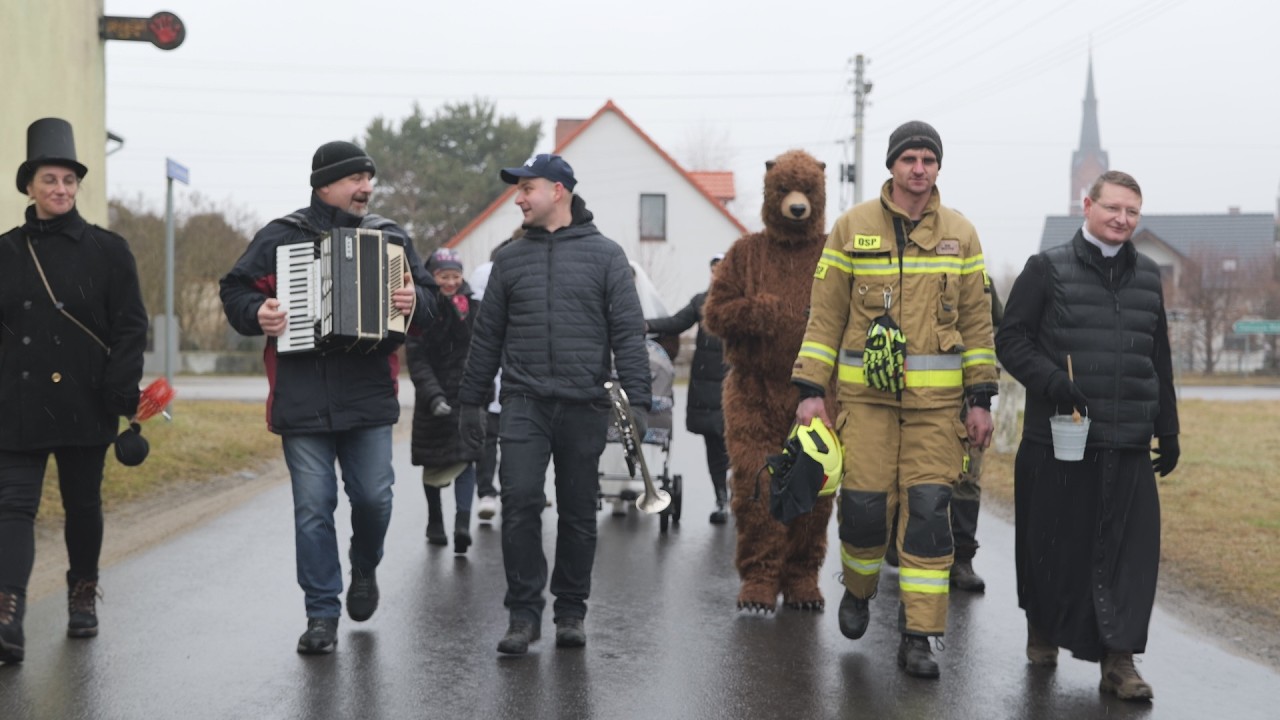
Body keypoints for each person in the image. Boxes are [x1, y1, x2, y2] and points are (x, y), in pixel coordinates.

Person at [790, 121, 997, 679]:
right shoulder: (851, 227)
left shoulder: (962, 234)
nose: (919, 168)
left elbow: (978, 324)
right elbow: (825, 315)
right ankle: (858, 590)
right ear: (892, 166)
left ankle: (918, 636)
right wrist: (810, 389)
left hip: (937, 413)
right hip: (867, 405)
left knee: (929, 517)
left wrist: (981, 398)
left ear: (938, 167)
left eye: (928, 159)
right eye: (909, 158)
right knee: (863, 511)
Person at [219, 140, 439, 655]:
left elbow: (430, 304)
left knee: (374, 499)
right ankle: (321, 613)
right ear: (324, 185)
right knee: (313, 508)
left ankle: (363, 565)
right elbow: (235, 290)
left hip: (368, 394)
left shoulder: (388, 237)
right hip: (301, 396)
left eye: (369, 179)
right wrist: (257, 312)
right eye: (356, 179)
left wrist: (414, 301)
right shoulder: (281, 236)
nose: (367, 188)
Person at [456, 154, 650, 655]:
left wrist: (639, 404)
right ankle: (523, 614)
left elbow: (629, 335)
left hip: (585, 403)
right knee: (520, 502)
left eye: (527, 188)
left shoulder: (607, 256)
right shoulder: (509, 259)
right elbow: (486, 337)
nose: (518, 199)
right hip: (524, 402)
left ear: (558, 190)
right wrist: (471, 401)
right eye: (518, 190)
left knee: (579, 512)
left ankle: (570, 611)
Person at [996, 170, 1179, 702]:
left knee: (1129, 558)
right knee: (1053, 553)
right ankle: (1043, 626)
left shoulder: (1148, 276)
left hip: (1128, 441)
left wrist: (1167, 427)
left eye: (1132, 212)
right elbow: (1011, 340)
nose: (1122, 219)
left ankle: (1119, 662)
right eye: (1113, 208)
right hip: (1061, 440)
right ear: (1087, 206)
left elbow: (1159, 357)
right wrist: (1052, 380)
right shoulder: (1046, 268)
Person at [0, 118, 149, 664]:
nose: (60, 189)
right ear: (29, 186)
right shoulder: (6, 251)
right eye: (49, 179)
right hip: (15, 404)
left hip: (85, 400)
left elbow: (131, 326)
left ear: (78, 186)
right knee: (12, 507)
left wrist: (120, 388)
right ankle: (8, 613)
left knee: (82, 504)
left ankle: (83, 595)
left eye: (68, 180)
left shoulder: (108, 250)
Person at [885, 283, 1004, 593]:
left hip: (969, 395)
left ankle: (961, 559)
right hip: (921, 393)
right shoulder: (919, 270)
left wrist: (985, 367)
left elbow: (1000, 328)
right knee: (910, 470)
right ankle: (897, 536)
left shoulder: (981, 281)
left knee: (967, 477)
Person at [644, 254, 731, 524]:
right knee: (714, 446)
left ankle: (740, 495)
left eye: (722, 269)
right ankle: (722, 498)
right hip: (706, 390)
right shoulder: (701, 302)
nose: (717, 274)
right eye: (713, 270)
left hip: (735, 387)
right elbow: (676, 323)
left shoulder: (742, 304)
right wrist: (645, 325)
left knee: (738, 445)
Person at [407, 248, 484, 552]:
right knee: (434, 461)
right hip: (433, 398)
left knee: (466, 459)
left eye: (455, 276)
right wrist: (433, 395)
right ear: (432, 277)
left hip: (466, 395)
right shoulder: (420, 309)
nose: (450, 282)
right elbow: (417, 358)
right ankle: (435, 520)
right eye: (443, 277)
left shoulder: (474, 307)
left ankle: (462, 523)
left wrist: (479, 390)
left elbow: (481, 349)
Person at [467, 231, 520, 524]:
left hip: (517, 378)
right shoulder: (486, 276)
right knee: (490, 439)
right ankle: (487, 491)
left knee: (515, 441)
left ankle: (516, 491)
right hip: (491, 376)